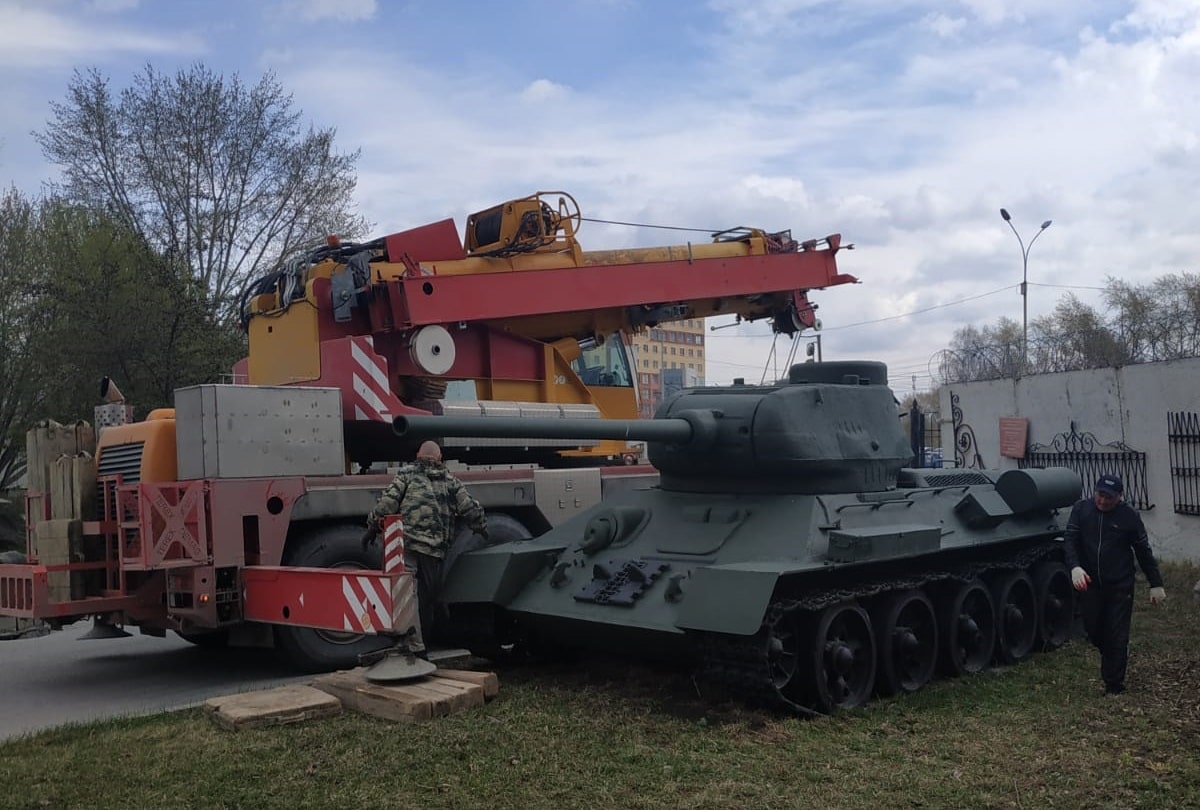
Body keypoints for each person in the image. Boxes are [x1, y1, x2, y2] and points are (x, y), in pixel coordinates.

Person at [364, 441, 487, 658]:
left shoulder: (406, 475)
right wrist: (481, 528)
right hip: (435, 548)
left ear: (418, 454)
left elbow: (387, 504)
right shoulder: (450, 481)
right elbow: (468, 507)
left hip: (408, 544)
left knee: (408, 594)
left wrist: (372, 527)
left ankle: (415, 644)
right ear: (440, 458)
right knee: (430, 596)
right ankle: (435, 636)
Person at [1063, 473, 1166, 696]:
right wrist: (1074, 567)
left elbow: (1143, 551)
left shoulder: (1129, 516)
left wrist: (1155, 583)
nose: (1103, 501)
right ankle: (1110, 654)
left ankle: (1113, 685)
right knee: (1094, 629)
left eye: (1109, 497)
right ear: (1094, 492)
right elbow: (1070, 540)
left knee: (1117, 634)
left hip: (1120, 584)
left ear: (1119, 497)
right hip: (1090, 582)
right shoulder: (1081, 510)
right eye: (1100, 495)